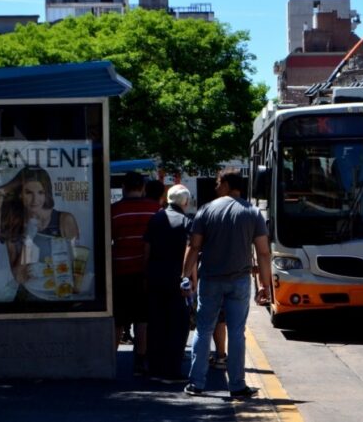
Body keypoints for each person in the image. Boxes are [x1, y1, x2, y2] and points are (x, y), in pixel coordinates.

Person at [181, 170, 272, 398]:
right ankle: (238, 386)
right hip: (239, 281)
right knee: (237, 332)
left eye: (217, 183)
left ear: (227, 184)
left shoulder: (206, 210)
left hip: (210, 279)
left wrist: (184, 276)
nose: (215, 187)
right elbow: (263, 252)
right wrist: (265, 284)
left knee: (203, 330)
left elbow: (194, 247)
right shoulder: (252, 212)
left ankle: (196, 383)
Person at [0, 166, 79, 299]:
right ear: (20, 194)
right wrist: (29, 239)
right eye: (28, 192)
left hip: (60, 299)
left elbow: (78, 268)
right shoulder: (13, 224)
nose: (35, 200)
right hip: (27, 300)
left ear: (47, 193)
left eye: (40, 192)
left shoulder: (65, 220)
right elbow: (19, 277)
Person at [111, 171, 161, 375]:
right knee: (143, 318)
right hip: (145, 271)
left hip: (120, 269)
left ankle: (111, 360)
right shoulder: (155, 210)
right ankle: (140, 360)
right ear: (142, 187)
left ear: (123, 187)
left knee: (118, 319)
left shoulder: (114, 210)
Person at [143, 184, 193, 380]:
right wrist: (190, 280)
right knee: (177, 326)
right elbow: (191, 254)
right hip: (177, 281)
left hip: (155, 278)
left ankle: (154, 368)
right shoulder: (186, 221)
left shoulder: (155, 219)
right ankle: (172, 370)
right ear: (185, 202)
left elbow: (146, 251)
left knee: (156, 324)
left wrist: (145, 276)